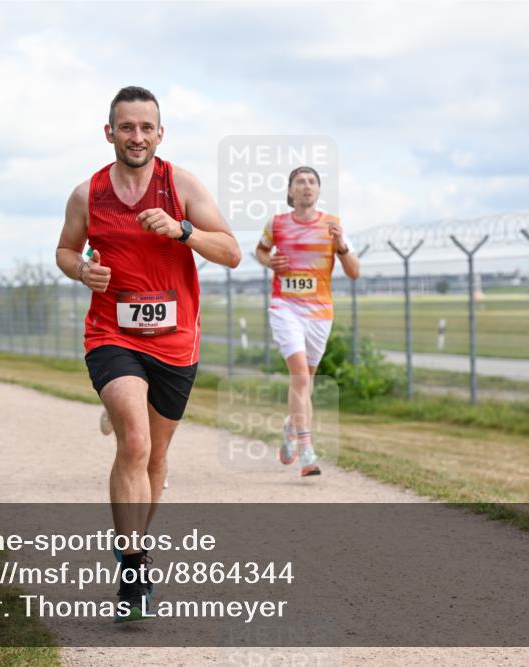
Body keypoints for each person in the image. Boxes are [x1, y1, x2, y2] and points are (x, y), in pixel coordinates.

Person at [55, 86, 240, 622]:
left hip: (177, 342)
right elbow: (65, 250)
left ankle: (130, 539)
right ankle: (134, 568)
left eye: (146, 127)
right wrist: (81, 270)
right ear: (108, 132)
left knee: (156, 457)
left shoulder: (180, 184)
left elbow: (229, 251)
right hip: (112, 332)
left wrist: (183, 230)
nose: (137, 136)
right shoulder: (87, 194)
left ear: (160, 133)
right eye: (126, 127)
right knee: (133, 440)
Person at [254, 166, 360, 477]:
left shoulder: (333, 225)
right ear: (290, 191)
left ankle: (291, 424)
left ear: (318, 191)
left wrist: (341, 246)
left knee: (306, 382)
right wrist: (268, 261)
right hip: (285, 307)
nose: (306, 186)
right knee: (300, 376)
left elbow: (355, 272)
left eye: (312, 182)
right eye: (300, 182)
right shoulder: (277, 224)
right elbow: (260, 251)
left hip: (319, 313)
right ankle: (307, 450)